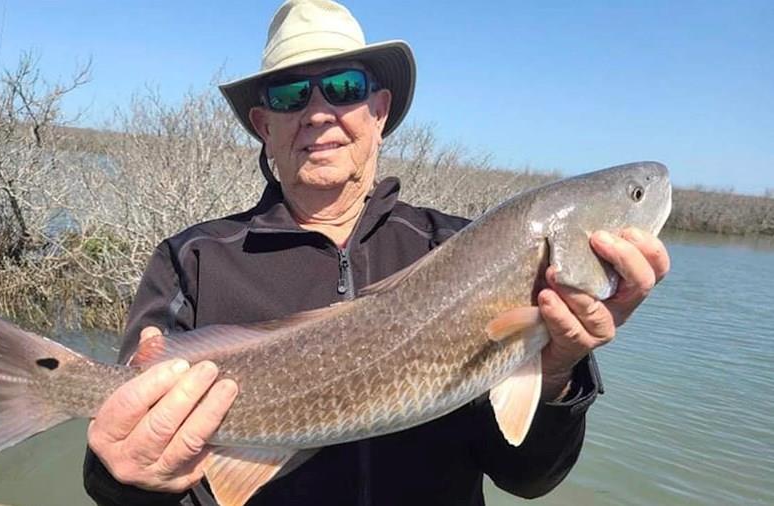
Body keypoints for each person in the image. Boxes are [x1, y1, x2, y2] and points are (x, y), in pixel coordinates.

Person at [82, 1, 671, 505]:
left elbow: (528, 477)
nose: (318, 112)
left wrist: (557, 368)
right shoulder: (192, 260)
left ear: (379, 110)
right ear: (264, 124)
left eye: (343, 87)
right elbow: (128, 471)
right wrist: (125, 478)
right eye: (290, 93)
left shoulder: (453, 245)